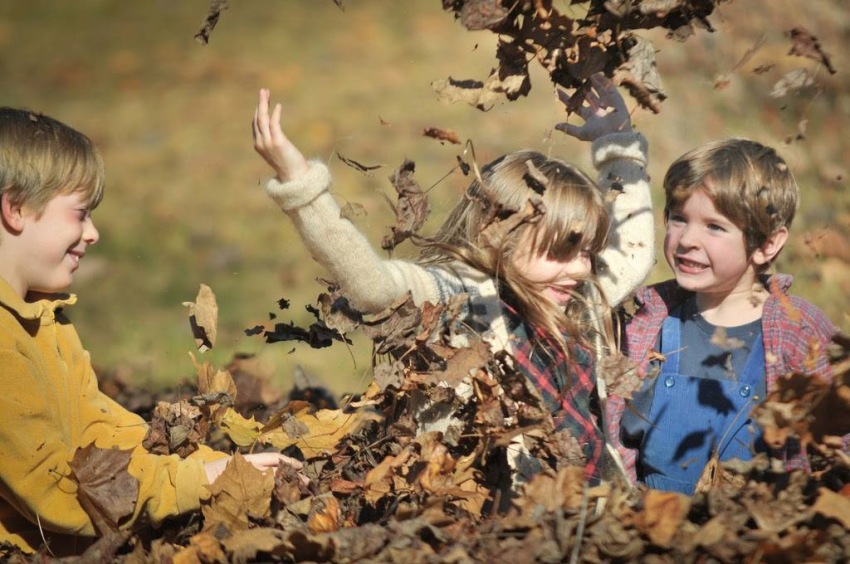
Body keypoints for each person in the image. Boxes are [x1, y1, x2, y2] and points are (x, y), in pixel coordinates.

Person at [252, 74, 654, 485]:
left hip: (591, 511)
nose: (582, 268)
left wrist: (618, 146)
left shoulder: (578, 299)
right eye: (561, 251)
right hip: (489, 520)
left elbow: (632, 253)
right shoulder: (458, 298)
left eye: (587, 251)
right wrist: (300, 184)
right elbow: (372, 285)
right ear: (496, 233)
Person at [0, 107, 301, 556]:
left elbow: (100, 430)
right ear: (16, 208)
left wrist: (221, 466)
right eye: (80, 214)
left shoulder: (44, 319)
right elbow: (57, 494)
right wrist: (201, 482)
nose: (94, 233)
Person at [607, 138, 840, 495]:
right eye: (679, 219)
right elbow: (616, 431)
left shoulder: (799, 331)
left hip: (755, 531)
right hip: (652, 523)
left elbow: (839, 444)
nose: (687, 240)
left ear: (768, 244)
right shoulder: (649, 319)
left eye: (714, 227)